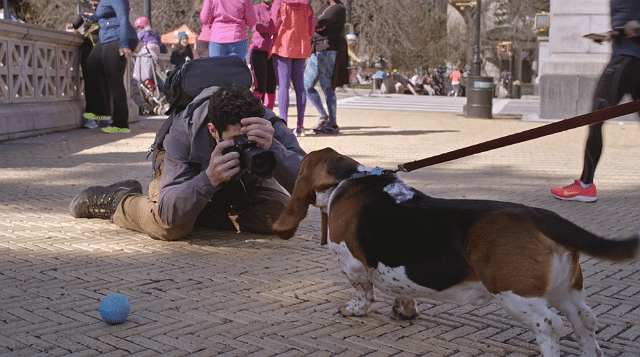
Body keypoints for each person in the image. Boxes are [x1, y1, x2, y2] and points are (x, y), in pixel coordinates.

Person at [69, 85, 305, 241]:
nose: (244, 144)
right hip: (191, 169)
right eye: (236, 140)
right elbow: (170, 212)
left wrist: (274, 146)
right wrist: (209, 179)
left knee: (280, 217)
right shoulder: (183, 132)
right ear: (213, 130)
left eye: (249, 139)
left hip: (237, 179)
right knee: (171, 226)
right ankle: (119, 201)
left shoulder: (264, 123)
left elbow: (308, 184)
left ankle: (198, 207)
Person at [551, 0, 640, 202]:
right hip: (630, 57)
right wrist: (613, 34)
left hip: (627, 60)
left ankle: (585, 186)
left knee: (596, 118)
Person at [83, 0, 138, 134]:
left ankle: (121, 124)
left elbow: (123, 18)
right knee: (91, 66)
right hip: (106, 39)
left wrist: (124, 44)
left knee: (115, 81)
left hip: (117, 39)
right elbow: (106, 15)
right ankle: (102, 111)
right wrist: (92, 17)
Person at [269, 0, 315, 135]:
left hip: (282, 45)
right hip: (301, 47)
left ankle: (284, 124)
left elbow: (273, 27)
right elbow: (311, 30)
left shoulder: (279, 3)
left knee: (284, 87)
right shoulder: (306, 5)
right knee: (300, 87)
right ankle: (300, 125)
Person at [304, 0, 349, 135]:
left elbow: (317, 23)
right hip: (316, 48)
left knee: (327, 86)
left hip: (329, 49)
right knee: (307, 84)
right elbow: (312, 23)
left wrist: (316, 25)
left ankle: (333, 123)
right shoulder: (325, 6)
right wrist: (315, 25)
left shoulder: (338, 8)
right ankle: (323, 116)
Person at [67, 0, 109, 128]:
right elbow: (73, 26)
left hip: (104, 50)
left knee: (105, 84)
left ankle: (104, 116)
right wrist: (71, 29)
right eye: (92, 0)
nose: (94, 2)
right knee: (90, 84)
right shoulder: (84, 14)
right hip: (89, 51)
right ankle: (90, 117)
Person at [250, 0, 277, 110]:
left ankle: (268, 114)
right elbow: (258, 27)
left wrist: (271, 30)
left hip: (274, 51)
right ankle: (252, 110)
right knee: (260, 85)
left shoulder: (276, 8)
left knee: (271, 86)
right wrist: (273, 30)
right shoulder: (256, 8)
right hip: (258, 49)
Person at [133, 16, 162, 90]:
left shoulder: (143, 32)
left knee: (143, 60)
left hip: (148, 47)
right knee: (153, 64)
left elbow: (136, 40)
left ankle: (146, 79)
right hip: (156, 48)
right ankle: (152, 81)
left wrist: (132, 48)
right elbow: (159, 40)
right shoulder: (154, 32)